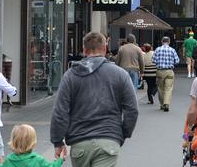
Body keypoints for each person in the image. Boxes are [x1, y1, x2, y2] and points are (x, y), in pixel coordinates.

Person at [50, 32, 138, 167]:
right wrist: (122, 133)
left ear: (84, 50)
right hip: (108, 139)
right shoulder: (120, 74)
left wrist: (57, 141)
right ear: (105, 49)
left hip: (80, 142)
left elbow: (60, 112)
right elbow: (132, 109)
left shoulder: (70, 75)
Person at [153, 36, 179, 112]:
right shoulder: (172, 50)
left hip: (160, 71)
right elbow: (177, 60)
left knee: (160, 88)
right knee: (168, 88)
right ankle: (166, 103)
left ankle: (161, 104)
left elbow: (153, 60)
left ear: (162, 41)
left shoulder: (157, 49)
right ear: (169, 42)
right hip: (169, 71)